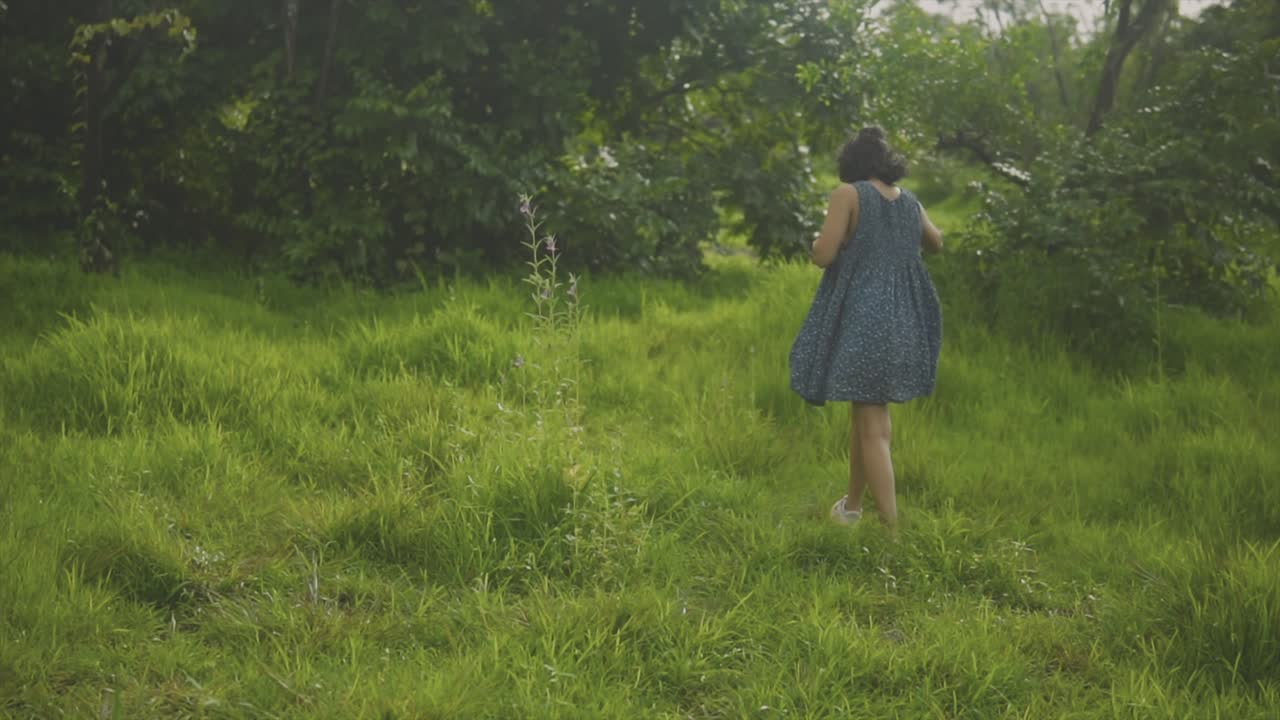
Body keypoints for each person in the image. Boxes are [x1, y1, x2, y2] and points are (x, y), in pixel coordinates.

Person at [788, 126, 944, 529]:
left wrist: (823, 242)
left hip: (866, 318)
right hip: (906, 317)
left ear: (852, 164)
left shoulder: (849, 195)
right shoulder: (909, 200)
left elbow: (823, 255)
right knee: (866, 414)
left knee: (874, 428)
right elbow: (936, 242)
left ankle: (891, 530)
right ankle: (852, 508)